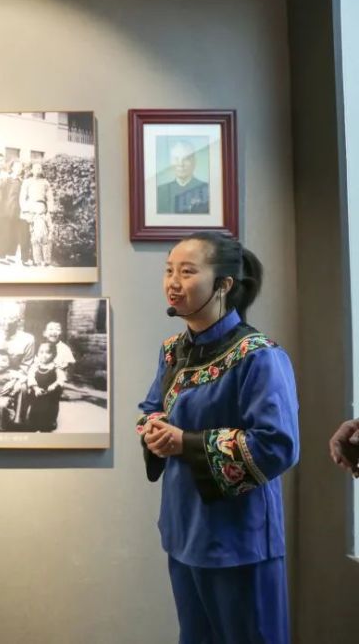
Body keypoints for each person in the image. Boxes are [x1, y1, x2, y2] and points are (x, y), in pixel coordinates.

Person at [136, 231, 298, 644]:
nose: (173, 282)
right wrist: (153, 430)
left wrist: (185, 443)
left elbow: (278, 444)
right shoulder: (172, 350)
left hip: (239, 539)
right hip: (184, 528)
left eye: (188, 272)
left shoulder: (259, 355)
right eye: (169, 270)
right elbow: (152, 407)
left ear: (224, 284)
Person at [156, 140, 209, 214]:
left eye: (186, 159)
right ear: (170, 163)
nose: (180, 164)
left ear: (194, 162)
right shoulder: (159, 192)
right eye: (176, 159)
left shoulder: (207, 189)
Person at [24, 341, 66, 432]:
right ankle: (34, 423)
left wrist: (54, 385)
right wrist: (35, 388)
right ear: (37, 354)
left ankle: (50, 422)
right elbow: (30, 377)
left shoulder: (56, 367)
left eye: (48, 353)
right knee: (36, 407)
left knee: (50, 408)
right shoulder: (35, 366)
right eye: (41, 352)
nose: (44, 355)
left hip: (51, 393)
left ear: (54, 354)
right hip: (37, 391)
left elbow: (61, 379)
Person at [18, 162, 52, 266]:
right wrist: (24, 209)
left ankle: (35, 259)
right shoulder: (27, 182)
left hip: (40, 209)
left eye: (39, 168)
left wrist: (49, 210)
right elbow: (22, 197)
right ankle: (24, 258)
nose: (38, 170)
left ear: (41, 170)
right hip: (28, 209)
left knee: (38, 235)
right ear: (32, 170)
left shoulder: (45, 182)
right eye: (35, 168)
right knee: (26, 235)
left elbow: (50, 197)